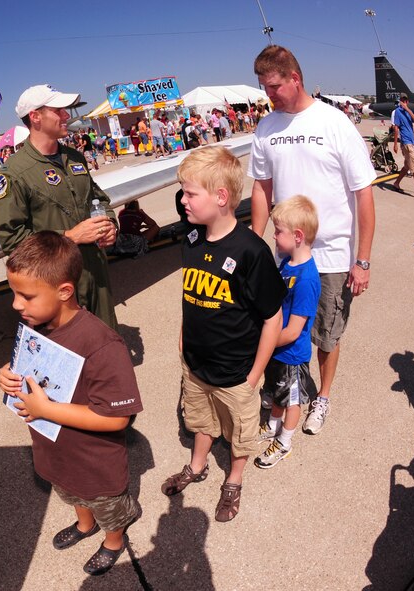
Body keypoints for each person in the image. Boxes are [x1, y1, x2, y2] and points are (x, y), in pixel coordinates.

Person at [0, 232, 143, 576]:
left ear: (64, 291)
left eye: (26, 296)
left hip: (95, 462)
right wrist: (7, 375)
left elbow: (116, 418)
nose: (17, 305)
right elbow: (28, 369)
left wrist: (46, 410)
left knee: (107, 507)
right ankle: (84, 524)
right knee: (72, 493)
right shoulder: (36, 326)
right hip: (55, 451)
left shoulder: (102, 345)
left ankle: (112, 540)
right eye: (14, 293)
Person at [249, 45, 376, 435]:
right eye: (263, 87)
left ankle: (323, 396)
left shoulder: (333, 122)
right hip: (285, 254)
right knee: (284, 328)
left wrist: (363, 259)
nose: (268, 95)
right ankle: (290, 394)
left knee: (325, 331)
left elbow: (364, 194)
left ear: (295, 79)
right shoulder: (266, 128)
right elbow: (261, 189)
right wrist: (255, 247)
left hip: (333, 256)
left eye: (274, 87)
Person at [161, 146, 285, 522]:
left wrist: (254, 374)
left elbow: (273, 317)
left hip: (237, 371)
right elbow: (191, 295)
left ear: (221, 197)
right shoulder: (192, 241)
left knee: (240, 431)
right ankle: (197, 466)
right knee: (200, 420)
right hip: (196, 363)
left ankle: (233, 479)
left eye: (189, 193)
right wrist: (184, 338)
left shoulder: (251, 251)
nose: (182, 201)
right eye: (182, 192)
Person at [0, 84, 119, 330]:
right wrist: (70, 237)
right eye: (59, 110)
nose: (66, 116)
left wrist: (110, 224)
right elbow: (11, 239)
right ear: (35, 117)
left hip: (95, 272)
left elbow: (98, 199)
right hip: (56, 285)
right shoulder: (14, 174)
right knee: (71, 354)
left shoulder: (75, 158)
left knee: (106, 342)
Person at [255, 196, 321, 469]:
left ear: (297, 236)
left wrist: (264, 345)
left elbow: (294, 330)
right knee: (276, 392)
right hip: (277, 349)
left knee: (292, 400)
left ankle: (285, 441)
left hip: (291, 353)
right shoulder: (286, 264)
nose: (273, 235)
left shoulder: (306, 278)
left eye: (278, 231)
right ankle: (272, 425)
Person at [392, 94, 414, 200]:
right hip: (406, 143)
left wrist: (407, 109)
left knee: (407, 166)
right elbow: (396, 128)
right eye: (402, 100)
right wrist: (395, 143)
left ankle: (396, 183)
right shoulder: (397, 112)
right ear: (400, 101)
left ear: (407, 101)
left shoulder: (408, 112)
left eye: (405, 100)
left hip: (411, 142)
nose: (404, 102)